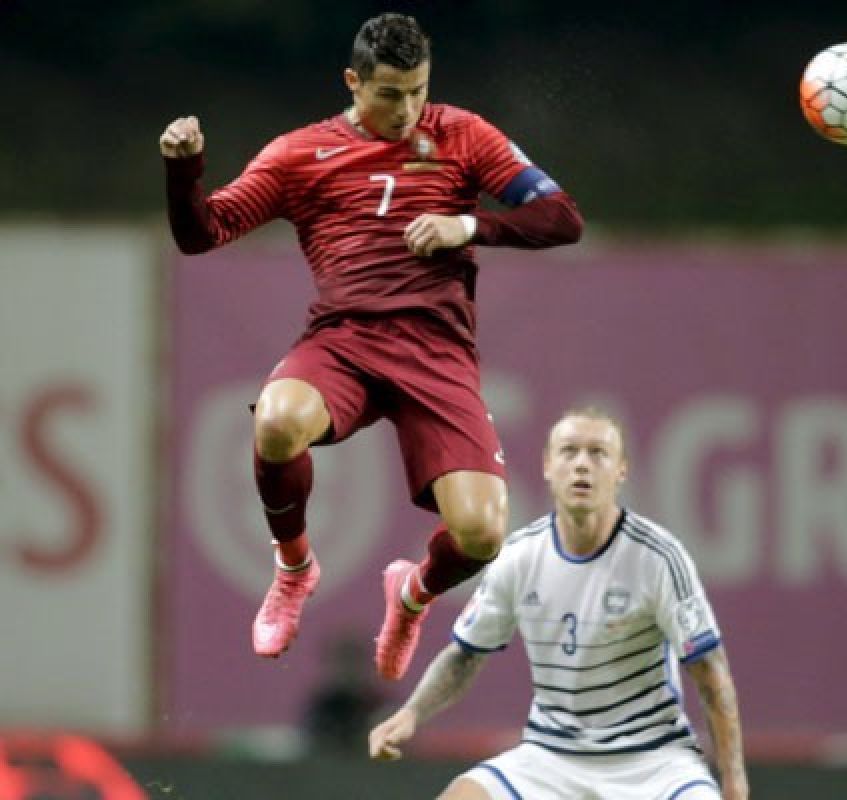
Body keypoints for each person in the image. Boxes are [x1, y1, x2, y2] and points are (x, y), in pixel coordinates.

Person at [158, 13, 583, 681]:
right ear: (353, 82)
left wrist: (467, 224)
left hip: (437, 354)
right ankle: (294, 569)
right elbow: (201, 233)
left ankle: (410, 595)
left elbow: (562, 217)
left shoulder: (463, 134)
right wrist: (183, 174)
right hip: (345, 341)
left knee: (481, 538)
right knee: (275, 421)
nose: (408, 109)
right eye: (389, 94)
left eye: (419, 90)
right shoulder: (300, 154)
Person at [369, 409, 750, 800]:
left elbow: (709, 669)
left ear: (621, 470)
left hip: (653, 760)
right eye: (569, 452)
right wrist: (411, 714)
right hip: (550, 757)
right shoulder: (520, 555)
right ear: (548, 466)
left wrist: (734, 777)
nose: (582, 464)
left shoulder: (658, 558)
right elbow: (465, 656)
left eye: (598, 453)